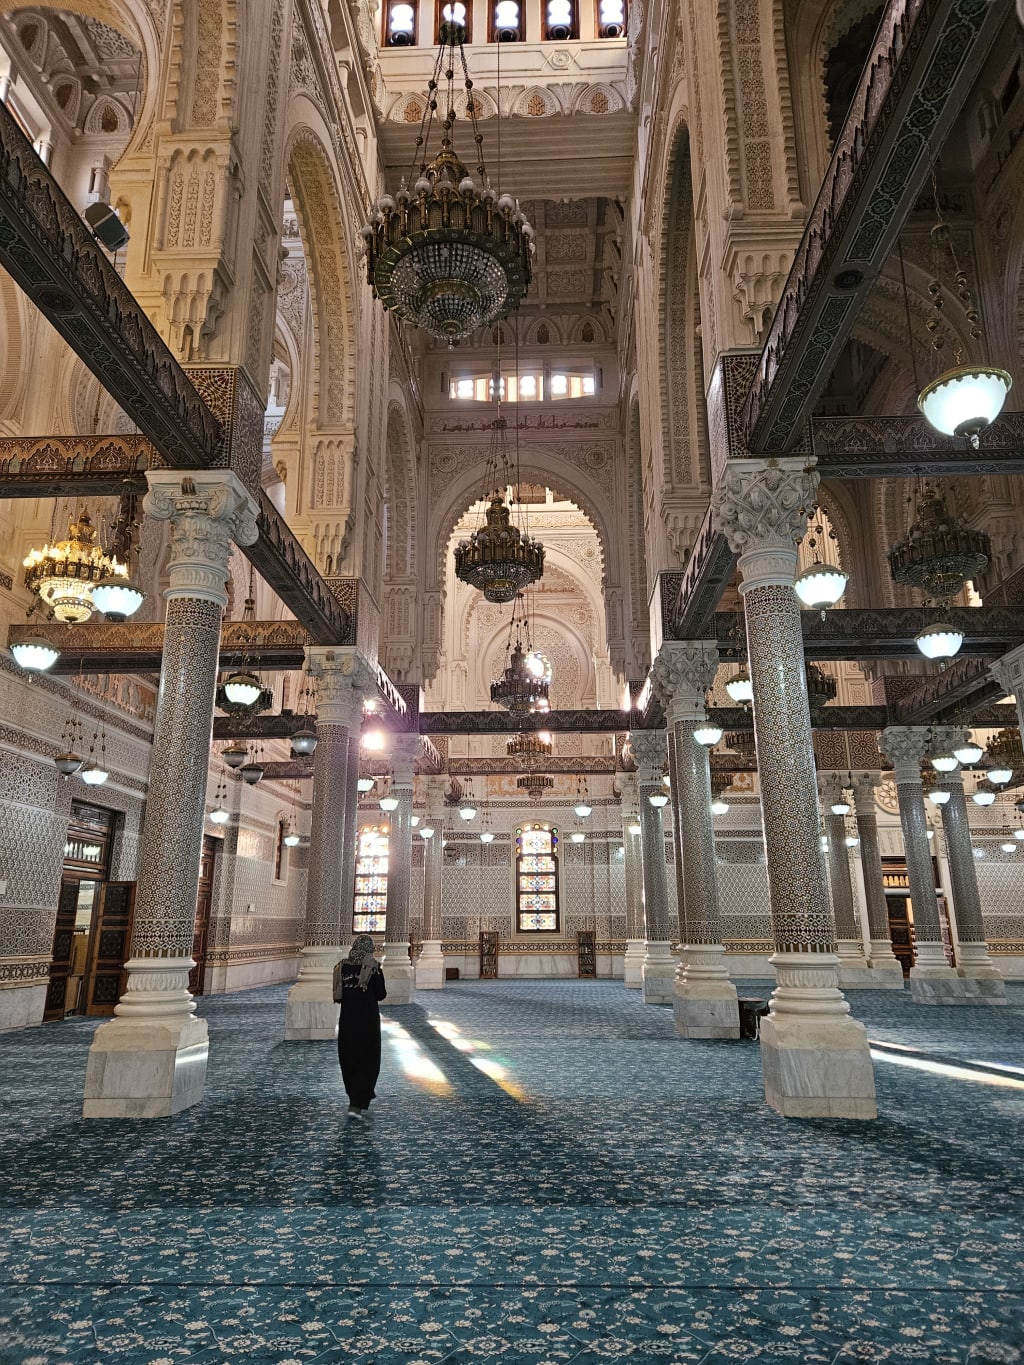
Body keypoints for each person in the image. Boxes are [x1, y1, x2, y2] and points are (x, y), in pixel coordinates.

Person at [335, 934, 387, 1117]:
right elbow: (381, 994)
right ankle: (360, 1100)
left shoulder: (342, 967)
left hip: (348, 1020)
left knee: (349, 1056)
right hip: (367, 1021)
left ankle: (354, 1098)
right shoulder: (373, 967)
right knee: (368, 1058)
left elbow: (339, 995)